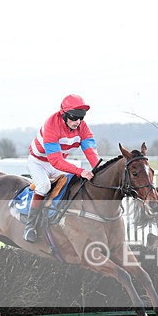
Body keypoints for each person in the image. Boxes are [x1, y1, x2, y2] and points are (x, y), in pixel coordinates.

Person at [23, 94, 100, 243]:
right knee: (44, 186)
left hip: (58, 162)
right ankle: (30, 226)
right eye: (74, 117)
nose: (77, 122)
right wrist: (80, 171)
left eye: (81, 117)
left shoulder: (82, 127)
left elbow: (90, 151)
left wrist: (98, 169)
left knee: (75, 182)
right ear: (63, 114)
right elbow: (55, 160)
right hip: (39, 162)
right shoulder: (51, 124)